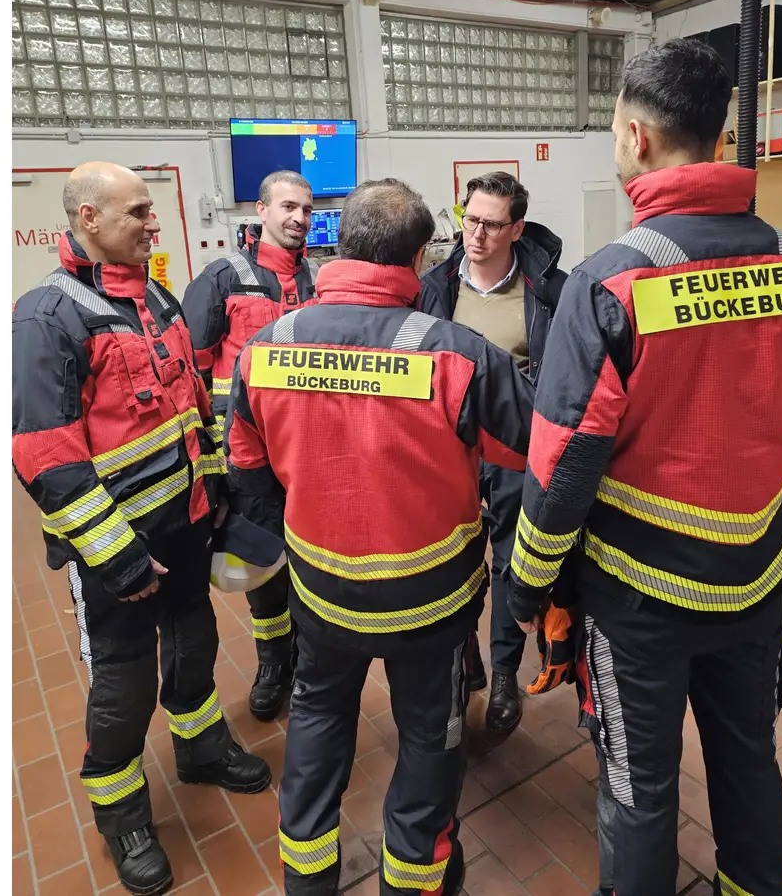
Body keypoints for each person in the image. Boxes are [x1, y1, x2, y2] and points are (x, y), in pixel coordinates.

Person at [504, 40, 782, 896]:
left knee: (640, 789)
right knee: (748, 757)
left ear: (636, 137)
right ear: (718, 135)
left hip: (639, 598)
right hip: (753, 578)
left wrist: (527, 588)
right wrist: (778, 515)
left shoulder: (612, 283)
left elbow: (566, 464)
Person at [223, 179, 535, 896]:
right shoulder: (458, 354)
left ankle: (308, 878)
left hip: (321, 597)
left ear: (339, 242)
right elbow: (529, 449)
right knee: (430, 740)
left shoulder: (265, 349)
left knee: (317, 720)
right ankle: (413, 878)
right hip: (430, 607)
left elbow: (248, 466)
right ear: (420, 256)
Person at [12, 162, 272, 896]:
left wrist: (216, 493)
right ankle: (122, 815)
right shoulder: (45, 317)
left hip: (185, 526)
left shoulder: (154, 297)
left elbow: (192, 407)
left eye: (152, 210)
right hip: (118, 552)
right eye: (137, 212)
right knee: (123, 686)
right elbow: (45, 457)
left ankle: (201, 749)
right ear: (88, 218)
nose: (152, 223)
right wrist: (117, 558)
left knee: (194, 645)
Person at [416, 171, 568, 735]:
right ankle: (466, 658)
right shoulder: (433, 287)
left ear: (517, 228)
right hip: (451, 449)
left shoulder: (549, 290)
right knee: (454, 560)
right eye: (470, 219)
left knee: (509, 563)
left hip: (515, 452)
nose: (476, 234)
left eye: (492, 225)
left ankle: (505, 673)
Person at [183, 169, 320, 722]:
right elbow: (190, 376)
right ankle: (273, 664)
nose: (299, 218)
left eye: (306, 209)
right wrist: (208, 467)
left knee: (309, 563)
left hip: (307, 456)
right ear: (259, 211)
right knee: (259, 567)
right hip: (245, 460)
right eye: (288, 206)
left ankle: (308, 661)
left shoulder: (318, 281)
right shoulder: (223, 278)